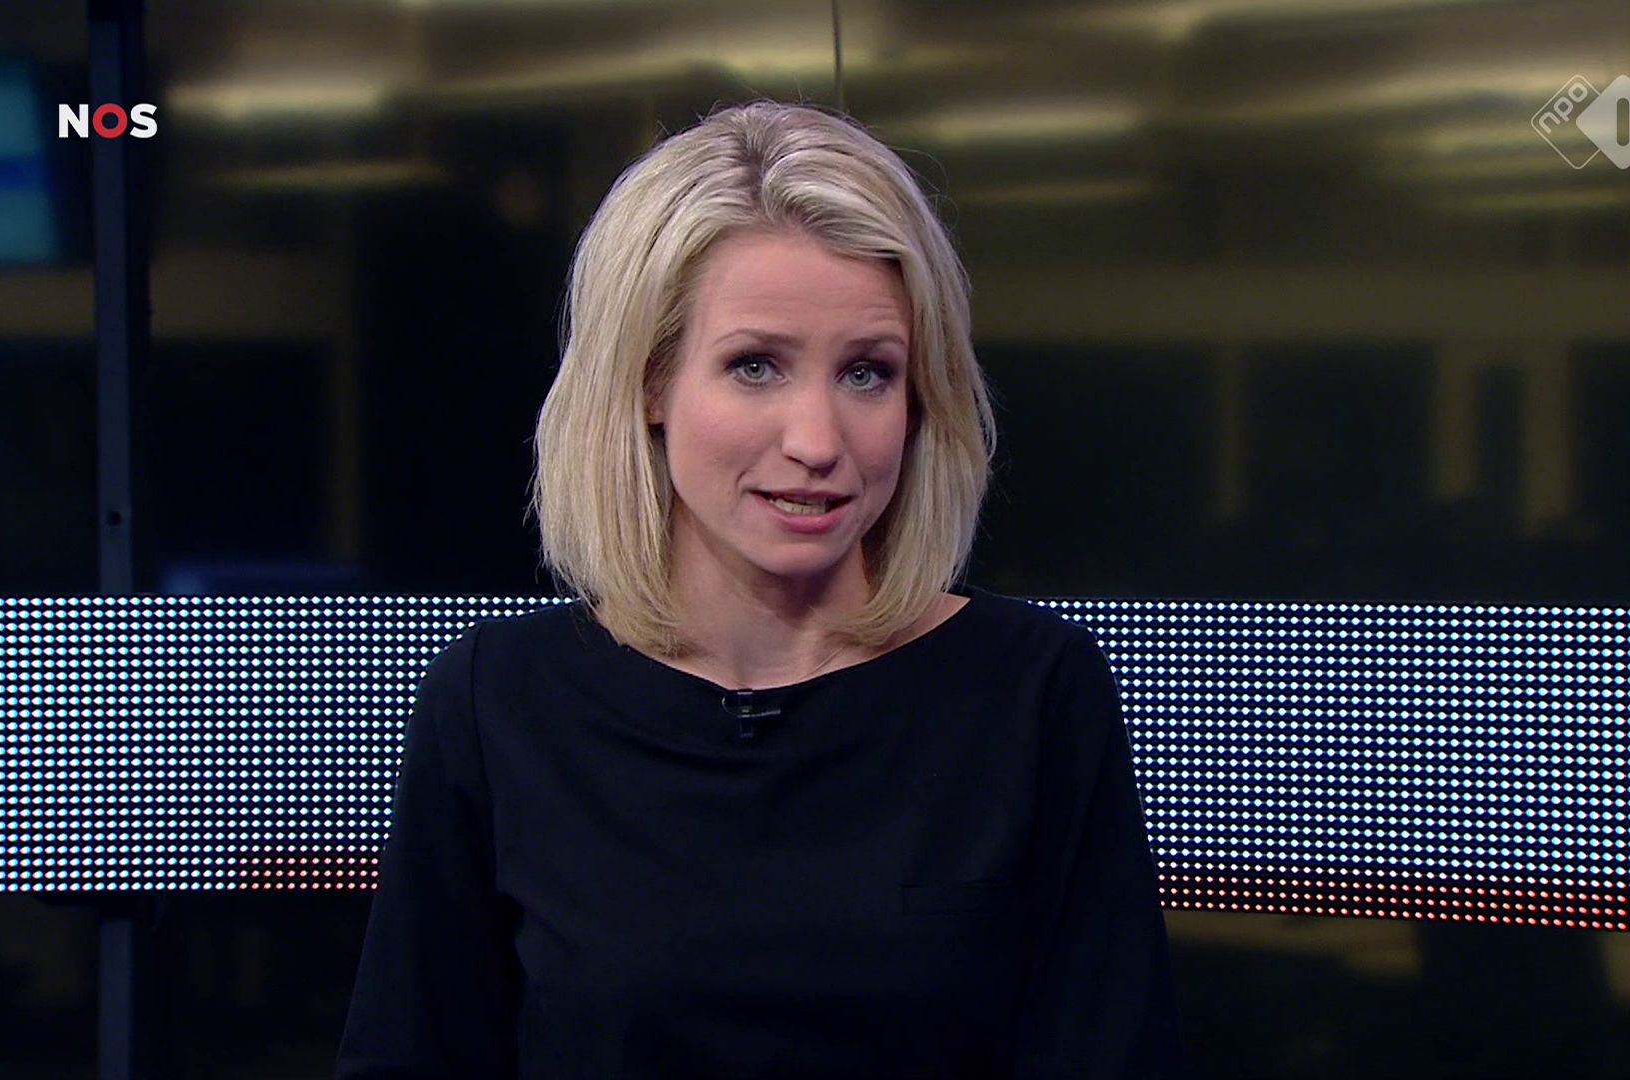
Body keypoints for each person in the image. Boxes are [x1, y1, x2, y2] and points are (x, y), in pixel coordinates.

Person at [336, 100, 1185, 1079]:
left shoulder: (1032, 692)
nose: (817, 441)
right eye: (755, 366)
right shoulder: (500, 702)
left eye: (867, 374)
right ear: (650, 382)